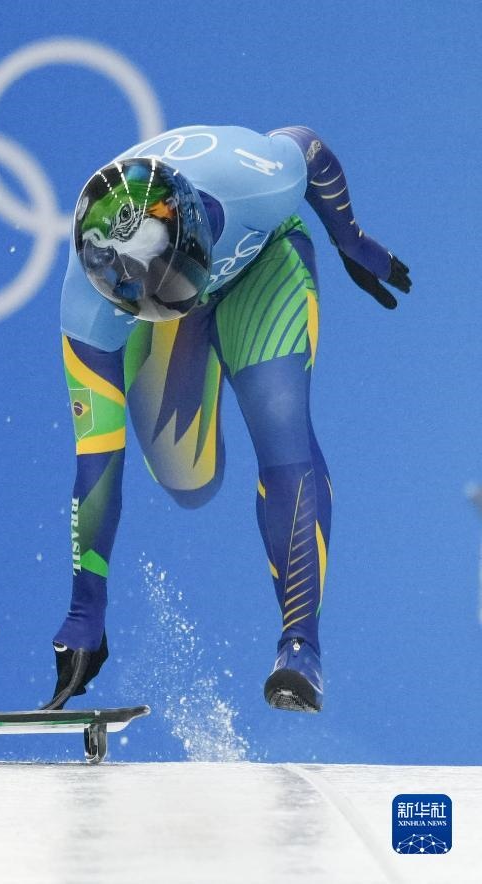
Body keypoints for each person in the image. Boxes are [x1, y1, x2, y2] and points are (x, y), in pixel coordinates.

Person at [48, 125, 411, 713]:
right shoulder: (88, 310)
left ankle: (300, 646)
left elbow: (309, 147)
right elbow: (97, 463)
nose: (175, 292)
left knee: (282, 426)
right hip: (167, 328)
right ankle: (192, 333)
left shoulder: (255, 180)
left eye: (178, 276)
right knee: (189, 481)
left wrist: (352, 239)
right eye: (146, 291)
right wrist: (84, 612)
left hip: (264, 266)